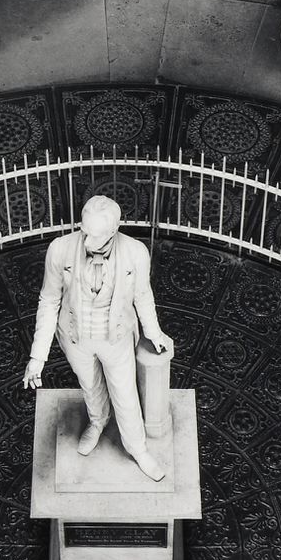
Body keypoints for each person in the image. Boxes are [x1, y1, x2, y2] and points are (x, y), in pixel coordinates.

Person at [21, 194, 173, 481]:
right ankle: (97, 421)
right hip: (75, 337)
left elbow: (143, 296)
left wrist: (153, 333)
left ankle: (137, 449)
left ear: (114, 230)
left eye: (95, 234)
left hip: (116, 338)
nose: (87, 239)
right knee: (90, 386)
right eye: (84, 230)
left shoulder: (136, 253)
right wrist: (37, 357)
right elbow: (49, 300)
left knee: (125, 394)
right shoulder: (60, 250)